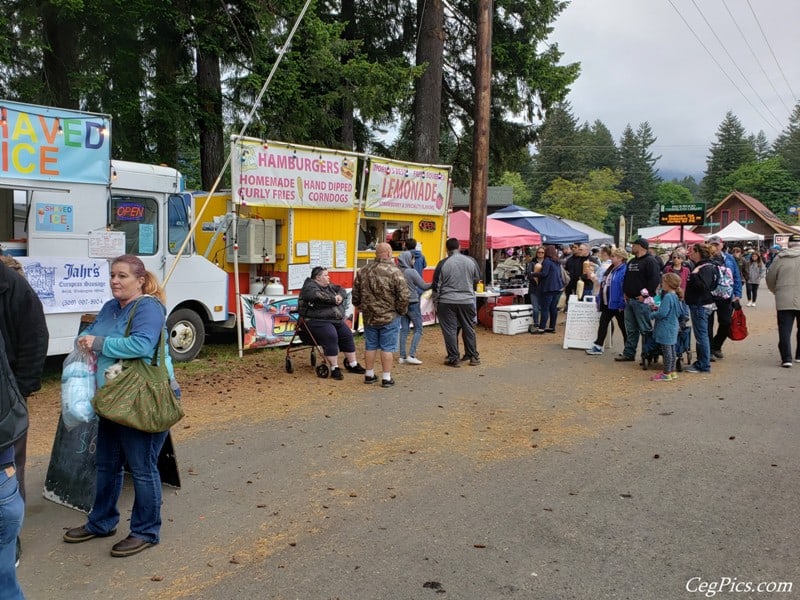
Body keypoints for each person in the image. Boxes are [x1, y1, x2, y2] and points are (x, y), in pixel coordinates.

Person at [63, 255, 178, 557]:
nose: (115, 281)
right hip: (113, 400)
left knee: (142, 469)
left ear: (140, 280)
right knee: (107, 465)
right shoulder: (110, 307)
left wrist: (97, 342)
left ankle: (145, 531)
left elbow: (141, 345)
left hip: (143, 399)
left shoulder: (148, 308)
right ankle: (101, 522)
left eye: (122, 276)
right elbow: (91, 335)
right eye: (112, 275)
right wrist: (83, 340)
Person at [0, 259, 48, 568]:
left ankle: (10, 540)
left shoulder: (13, 286)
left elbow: (35, 338)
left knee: (9, 471)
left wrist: (20, 392)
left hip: (7, 403)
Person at [351, 243, 409, 387]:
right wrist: (401, 311)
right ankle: (386, 378)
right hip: (389, 316)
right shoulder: (395, 272)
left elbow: (355, 294)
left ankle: (369, 374)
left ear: (376, 254)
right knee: (387, 347)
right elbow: (404, 295)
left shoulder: (363, 271)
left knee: (370, 345)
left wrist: (359, 305)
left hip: (369, 316)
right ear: (389, 253)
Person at [298, 267, 365, 380]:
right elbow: (316, 295)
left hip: (334, 319)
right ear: (318, 277)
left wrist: (340, 297)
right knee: (330, 335)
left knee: (346, 334)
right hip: (315, 320)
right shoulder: (309, 287)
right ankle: (334, 367)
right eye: (326, 275)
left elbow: (341, 290)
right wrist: (333, 299)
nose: (328, 277)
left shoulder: (329, 286)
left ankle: (352, 364)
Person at [431, 238, 481, 366]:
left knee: (450, 330)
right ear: (459, 246)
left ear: (446, 249)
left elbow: (436, 285)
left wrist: (436, 302)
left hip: (447, 301)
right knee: (468, 328)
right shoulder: (471, 261)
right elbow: (477, 278)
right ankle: (473, 356)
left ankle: (454, 358)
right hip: (467, 300)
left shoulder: (443, 263)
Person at [615, 238, 661, 362]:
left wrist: (646, 296)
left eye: (634, 245)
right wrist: (625, 292)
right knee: (631, 329)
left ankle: (647, 354)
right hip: (629, 300)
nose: (632, 247)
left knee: (645, 329)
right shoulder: (632, 261)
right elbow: (627, 277)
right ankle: (629, 353)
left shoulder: (650, 261)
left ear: (640, 246)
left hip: (641, 301)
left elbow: (655, 279)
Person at [765, 233, 800, 368]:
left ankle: (786, 358)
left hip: (784, 296)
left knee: (784, 329)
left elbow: (770, 278)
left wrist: (777, 290)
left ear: (789, 244)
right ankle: (799, 355)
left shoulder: (780, 258)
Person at [586, 248, 628, 355]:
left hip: (617, 304)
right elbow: (605, 283)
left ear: (620, 258)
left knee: (623, 326)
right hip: (607, 302)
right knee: (603, 323)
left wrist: (621, 303)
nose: (611, 257)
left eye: (614, 256)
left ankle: (628, 350)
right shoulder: (611, 268)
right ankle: (598, 346)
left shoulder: (624, 270)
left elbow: (623, 288)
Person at [706, 235, 742, 361]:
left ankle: (717, 345)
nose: (715, 247)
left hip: (726, 297)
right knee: (707, 325)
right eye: (712, 244)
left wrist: (737, 295)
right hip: (709, 297)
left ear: (722, 245)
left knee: (726, 323)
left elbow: (736, 276)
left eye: (717, 244)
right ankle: (709, 350)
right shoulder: (705, 258)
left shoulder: (730, 259)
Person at [684, 243, 717, 374]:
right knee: (702, 334)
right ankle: (702, 362)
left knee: (701, 335)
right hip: (701, 304)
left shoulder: (704, 268)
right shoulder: (705, 266)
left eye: (692, 251)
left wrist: (694, 275)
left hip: (700, 305)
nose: (690, 253)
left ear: (698, 253)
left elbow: (703, 286)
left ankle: (703, 364)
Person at [396, 251, 431, 365]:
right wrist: (435, 283)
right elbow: (424, 286)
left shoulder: (396, 271)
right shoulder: (411, 272)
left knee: (404, 330)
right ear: (408, 259)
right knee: (419, 329)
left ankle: (402, 356)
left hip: (401, 304)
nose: (414, 261)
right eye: (413, 259)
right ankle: (411, 354)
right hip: (413, 302)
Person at [649, 272, 683, 381]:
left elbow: (663, 313)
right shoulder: (675, 296)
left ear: (668, 283)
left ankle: (666, 373)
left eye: (663, 282)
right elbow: (679, 312)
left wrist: (653, 314)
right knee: (672, 349)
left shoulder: (668, 297)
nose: (662, 284)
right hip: (673, 326)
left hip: (665, 327)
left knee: (666, 351)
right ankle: (672, 371)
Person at [529, 245, 564, 334]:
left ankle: (542, 328)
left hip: (548, 288)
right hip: (557, 287)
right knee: (553, 308)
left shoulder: (547, 261)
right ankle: (552, 327)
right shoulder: (557, 261)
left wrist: (534, 273)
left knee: (545, 308)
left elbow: (544, 274)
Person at [525, 246, 546, 326]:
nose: (540, 254)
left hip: (544, 289)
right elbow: (529, 274)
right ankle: (536, 323)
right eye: (539, 252)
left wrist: (535, 274)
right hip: (534, 288)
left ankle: (542, 324)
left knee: (543, 308)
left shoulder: (546, 263)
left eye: (542, 252)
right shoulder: (532, 263)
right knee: (535, 308)